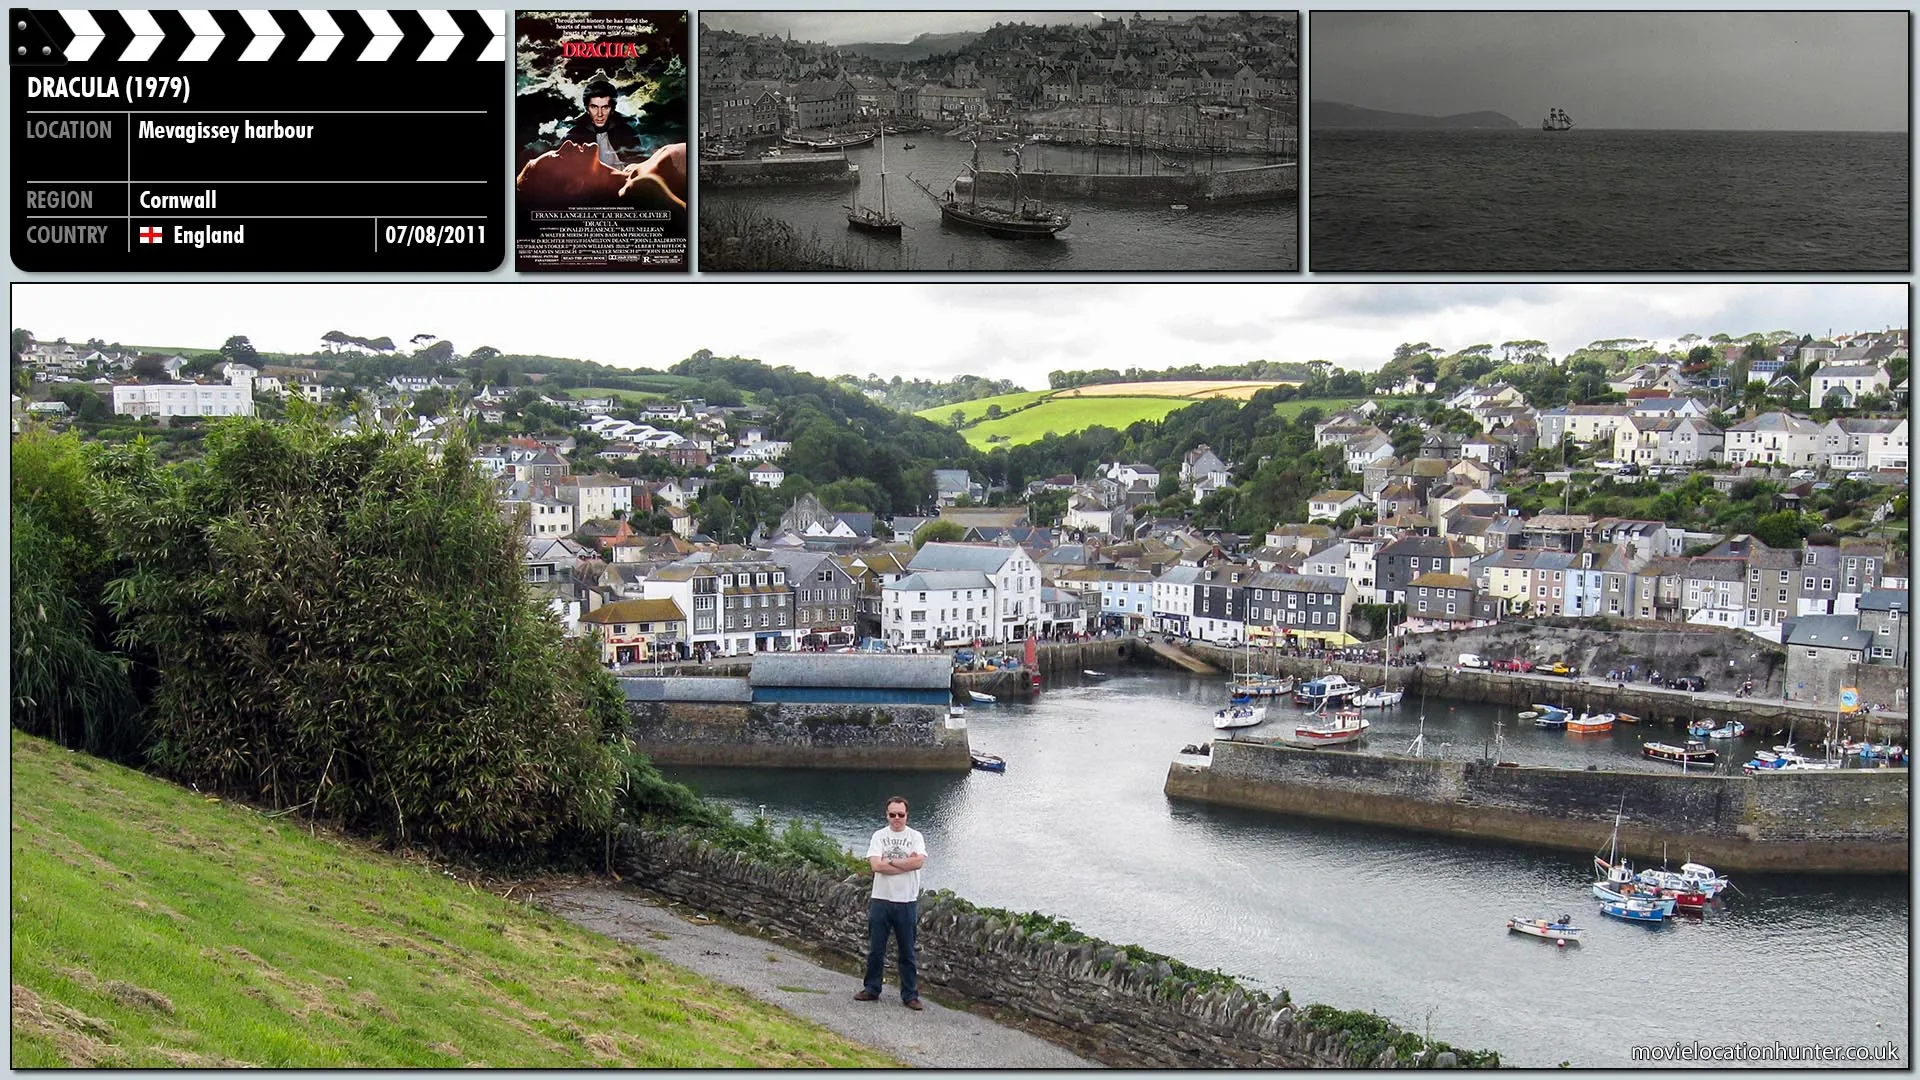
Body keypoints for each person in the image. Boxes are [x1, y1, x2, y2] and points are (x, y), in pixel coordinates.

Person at [856, 795, 927, 1010]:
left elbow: (919, 862)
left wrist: (892, 861)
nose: (896, 818)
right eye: (892, 815)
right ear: (887, 815)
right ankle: (872, 988)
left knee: (907, 951)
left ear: (907, 815)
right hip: (881, 899)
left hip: (906, 901)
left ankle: (910, 995)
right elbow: (876, 866)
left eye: (901, 815)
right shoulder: (879, 836)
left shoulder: (916, 836)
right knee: (876, 949)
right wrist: (906, 863)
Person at [564, 78, 648, 168]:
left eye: (605, 107)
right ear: (587, 109)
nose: (600, 114)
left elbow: (640, 167)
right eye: (594, 107)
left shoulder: (627, 133)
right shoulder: (574, 136)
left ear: (612, 109)